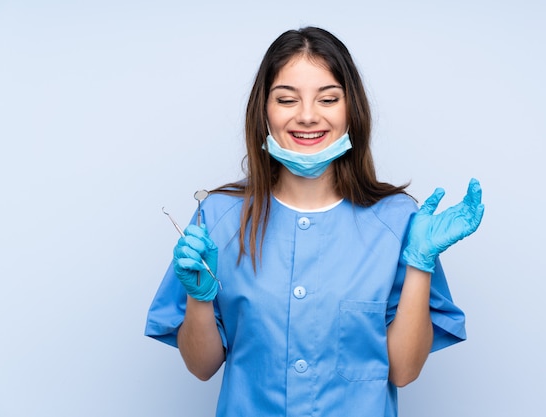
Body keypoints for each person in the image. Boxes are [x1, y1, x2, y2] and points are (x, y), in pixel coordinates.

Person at [145, 26, 484, 416]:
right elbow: (201, 367)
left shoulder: (399, 222)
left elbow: (404, 371)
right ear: (265, 111)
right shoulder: (218, 218)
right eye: (287, 99)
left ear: (350, 109)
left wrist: (420, 265)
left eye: (328, 99)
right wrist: (200, 300)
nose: (307, 116)